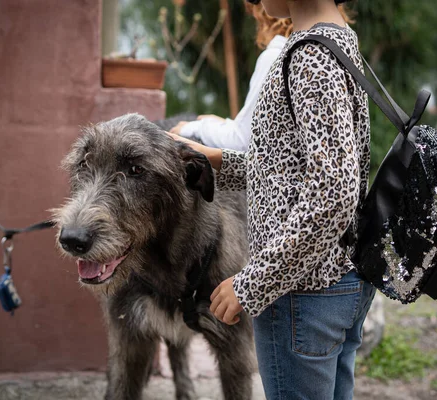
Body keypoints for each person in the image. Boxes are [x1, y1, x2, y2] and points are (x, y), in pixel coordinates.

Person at [169, 0, 375, 399]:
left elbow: (334, 191)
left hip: (303, 295)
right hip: (335, 282)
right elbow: (292, 170)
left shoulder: (310, 56)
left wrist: (252, 284)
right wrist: (216, 161)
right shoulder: (336, 39)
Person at [169, 3, 292, 151]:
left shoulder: (274, 57)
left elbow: (242, 141)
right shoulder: (308, 50)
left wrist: (193, 128)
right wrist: (226, 124)